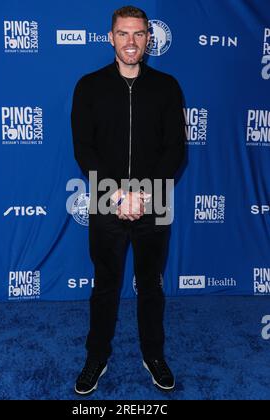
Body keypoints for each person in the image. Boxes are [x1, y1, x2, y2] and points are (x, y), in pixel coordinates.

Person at [71, 5, 185, 395]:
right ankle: (96, 357)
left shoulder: (167, 86)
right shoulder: (88, 85)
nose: (131, 42)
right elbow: (84, 149)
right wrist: (118, 192)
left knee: (150, 285)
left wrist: (143, 195)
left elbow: (176, 151)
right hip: (106, 199)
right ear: (111, 37)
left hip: (155, 202)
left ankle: (153, 355)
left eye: (138, 34)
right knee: (105, 285)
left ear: (149, 39)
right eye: (123, 33)